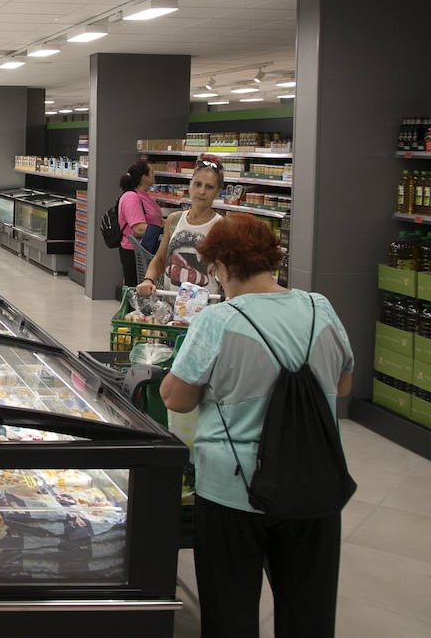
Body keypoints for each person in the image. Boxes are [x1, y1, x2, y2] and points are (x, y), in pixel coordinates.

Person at [160, 214, 353, 638]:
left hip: (234, 491)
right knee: (309, 612)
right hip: (314, 483)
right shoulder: (321, 308)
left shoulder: (217, 321)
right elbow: (342, 383)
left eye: (214, 270)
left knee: (231, 611)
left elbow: (176, 397)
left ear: (224, 268)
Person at [136, 154, 226, 298]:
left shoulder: (221, 226)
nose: (202, 191)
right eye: (197, 184)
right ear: (190, 185)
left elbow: (227, 271)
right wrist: (148, 279)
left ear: (218, 192)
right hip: (171, 307)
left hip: (204, 310)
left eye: (209, 187)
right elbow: (159, 259)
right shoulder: (174, 220)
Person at [117, 159, 164, 288]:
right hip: (135, 251)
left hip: (148, 248)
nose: (154, 174)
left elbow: (155, 220)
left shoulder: (146, 195)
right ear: (144, 177)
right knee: (136, 291)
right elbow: (138, 228)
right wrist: (163, 232)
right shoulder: (131, 197)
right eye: (152, 172)